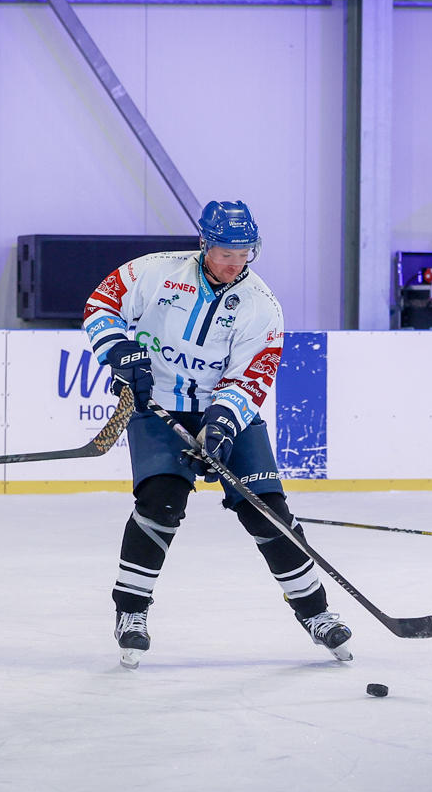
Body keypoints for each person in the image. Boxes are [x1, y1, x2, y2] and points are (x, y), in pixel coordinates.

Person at [82, 200, 352, 668]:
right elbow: (101, 305)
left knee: (268, 512)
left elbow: (251, 377)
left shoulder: (261, 305)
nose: (234, 263)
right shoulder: (154, 271)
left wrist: (222, 424)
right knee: (161, 502)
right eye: (226, 252)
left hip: (228, 412)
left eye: (244, 253)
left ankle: (317, 614)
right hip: (159, 407)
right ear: (205, 244)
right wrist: (120, 351)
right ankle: (131, 612)